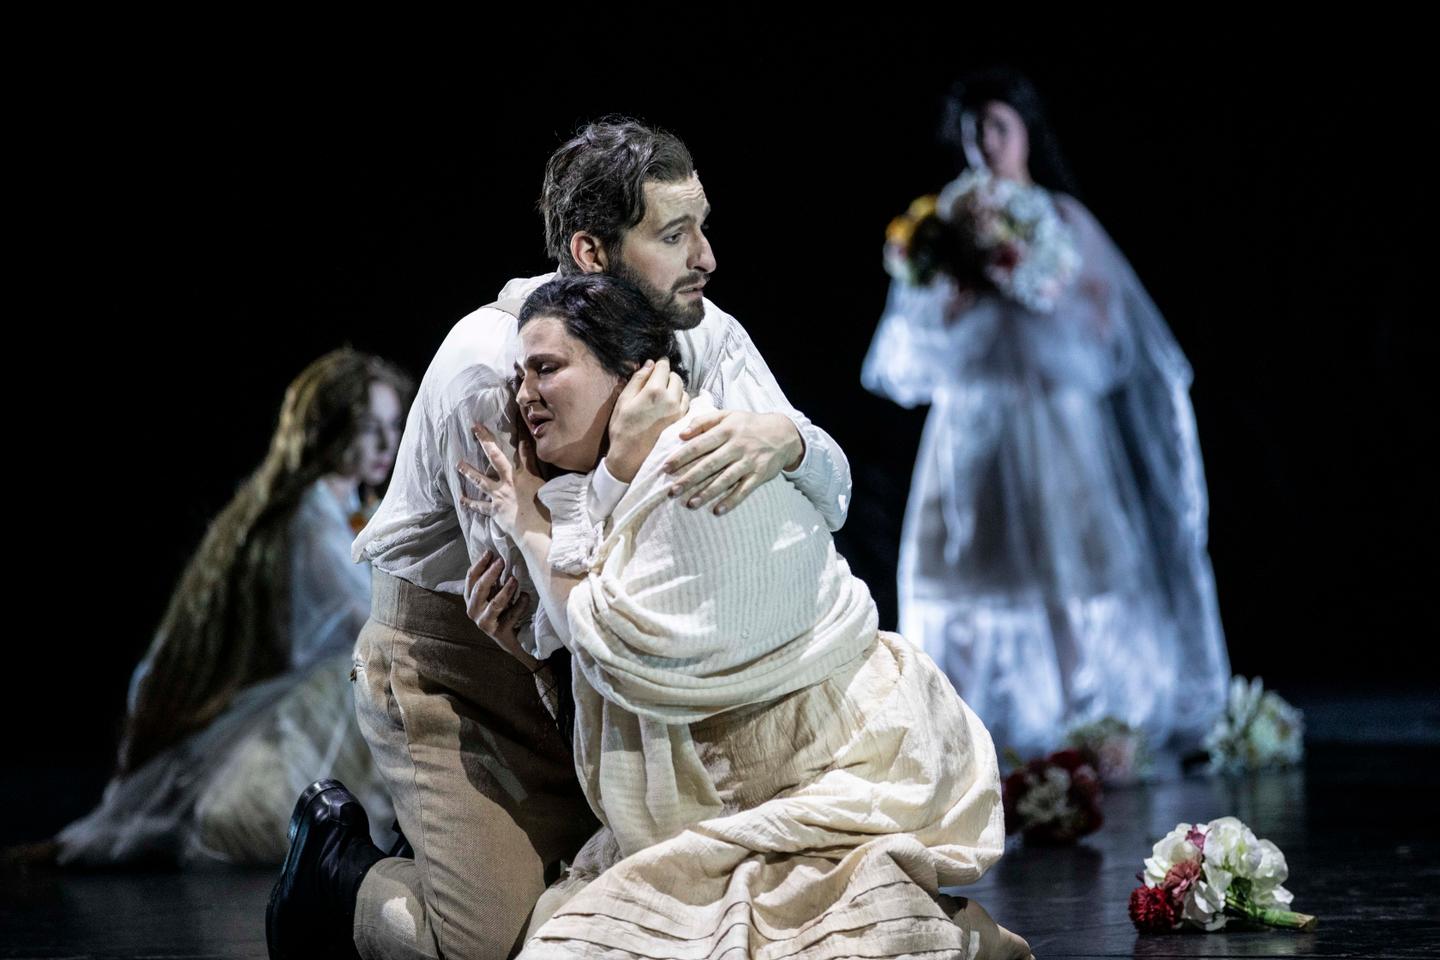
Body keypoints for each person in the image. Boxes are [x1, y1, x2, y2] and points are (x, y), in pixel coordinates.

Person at [266, 118, 852, 960]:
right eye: (675, 235)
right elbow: (545, 614)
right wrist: (618, 468)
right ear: (590, 252)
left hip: (624, 673)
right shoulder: (499, 369)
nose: (707, 257)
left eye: (702, 227)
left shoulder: (704, 332)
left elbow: (832, 497)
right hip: (464, 668)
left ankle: (462, 856)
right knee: (492, 944)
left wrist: (786, 439)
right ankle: (337, 877)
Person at [459, 272, 1030, 960]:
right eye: (521, 375)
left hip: (824, 774)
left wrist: (528, 525)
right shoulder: (618, 474)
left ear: (632, 373)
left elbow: (612, 644)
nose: (524, 394)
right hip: (728, 792)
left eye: (546, 369)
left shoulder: (699, 462)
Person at [862, 69, 1230, 757]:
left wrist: (1028, 282)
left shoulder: (1060, 219)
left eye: (998, 127)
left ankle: (1090, 714)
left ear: (1025, 132)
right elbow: (915, 331)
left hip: (1054, 417)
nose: (986, 144)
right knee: (970, 568)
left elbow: (1106, 320)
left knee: (1071, 565)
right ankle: (964, 726)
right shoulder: (941, 222)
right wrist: (967, 288)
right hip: (975, 420)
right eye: (974, 132)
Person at [54, 348, 410, 866]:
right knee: (375, 673)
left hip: (315, 696)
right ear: (329, 428)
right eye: (367, 427)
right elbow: (365, 620)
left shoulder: (351, 506)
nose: (385, 443)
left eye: (392, 426)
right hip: (308, 702)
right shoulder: (313, 516)